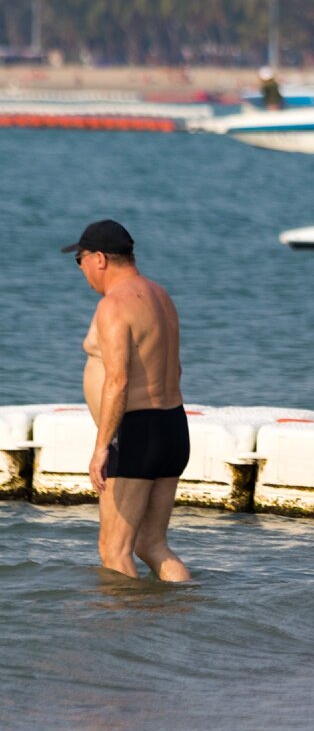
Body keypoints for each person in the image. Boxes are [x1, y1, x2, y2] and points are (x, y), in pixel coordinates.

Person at [62, 220, 191, 582]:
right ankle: (190, 616)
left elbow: (118, 381)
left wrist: (102, 447)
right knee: (152, 545)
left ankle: (119, 638)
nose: (82, 270)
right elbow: (176, 369)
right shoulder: (160, 296)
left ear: (99, 258)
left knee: (114, 550)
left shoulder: (114, 306)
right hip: (173, 426)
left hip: (136, 431)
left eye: (80, 260)